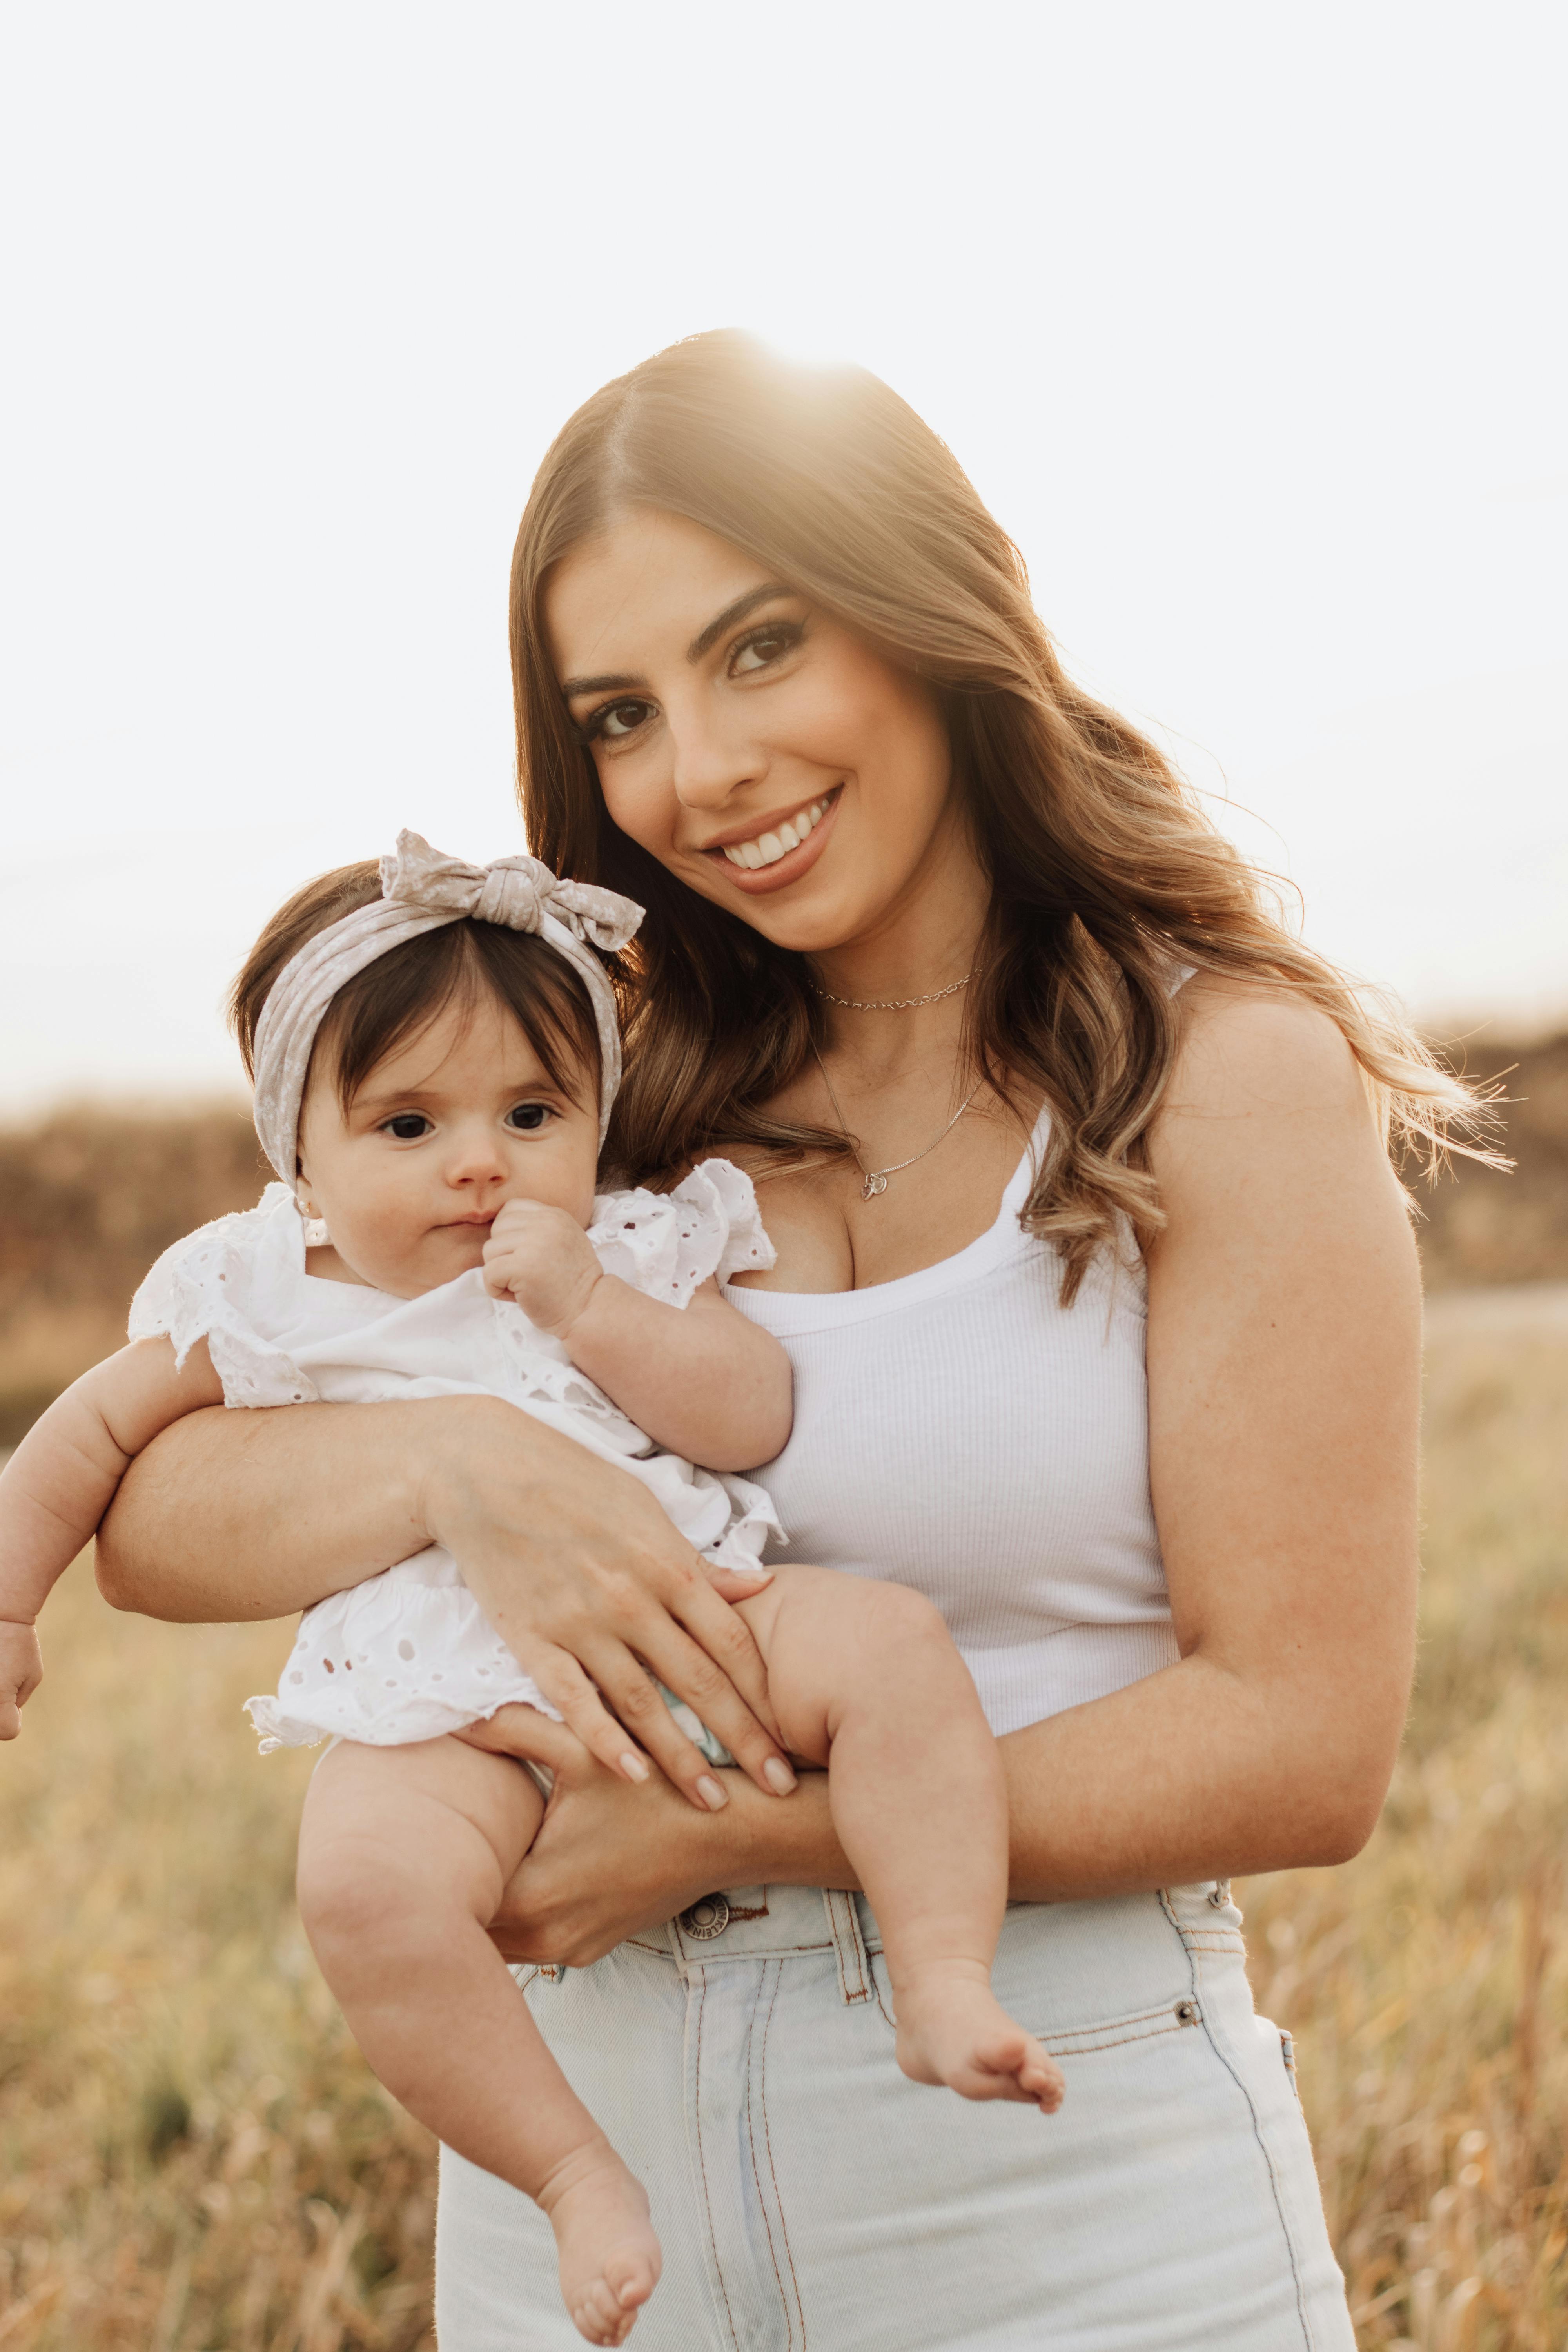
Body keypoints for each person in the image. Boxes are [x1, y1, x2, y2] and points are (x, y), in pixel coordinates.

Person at [96, 332, 1476, 2350]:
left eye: (760, 650)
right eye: (622, 714)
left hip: (1051, 2187)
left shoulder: (1222, 1073)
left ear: (932, 617)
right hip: (586, 2200)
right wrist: (453, 1467)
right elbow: (153, 1515)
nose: (702, 773)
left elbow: (1302, 1742)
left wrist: (747, 1832)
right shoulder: (601, 1106)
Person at [0, 829, 1061, 2348]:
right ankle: (568, 2172)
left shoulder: (628, 1247)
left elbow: (748, 1410)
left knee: (891, 1650)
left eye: (530, 1111)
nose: (479, 1159)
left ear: (596, 1122)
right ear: (299, 1151)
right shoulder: (266, 1296)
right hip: (440, 1706)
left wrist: (593, 1307)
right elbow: (83, 1446)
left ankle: (945, 1975)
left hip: (692, 1621)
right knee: (363, 1887)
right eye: (410, 1123)